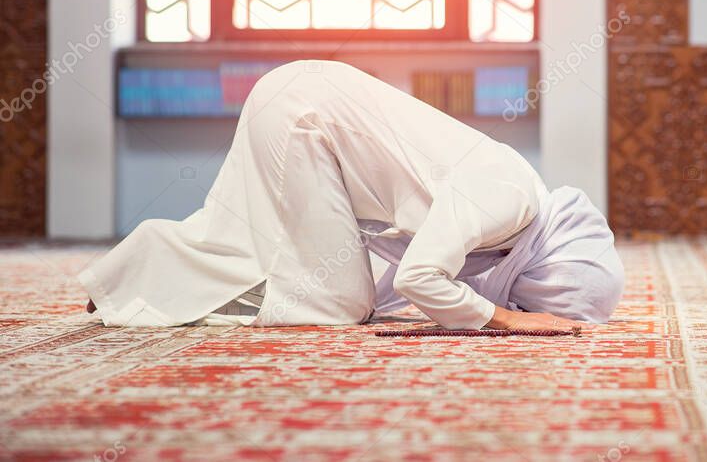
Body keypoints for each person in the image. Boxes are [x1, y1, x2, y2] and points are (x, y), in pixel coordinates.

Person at [80, 60, 624, 331]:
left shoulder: (516, 219)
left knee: (260, 248)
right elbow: (417, 278)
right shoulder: (510, 201)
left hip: (300, 99)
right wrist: (508, 321)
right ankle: (150, 275)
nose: (517, 304)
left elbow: (400, 281)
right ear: (545, 271)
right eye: (531, 301)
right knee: (338, 303)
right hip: (304, 117)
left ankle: (139, 267)